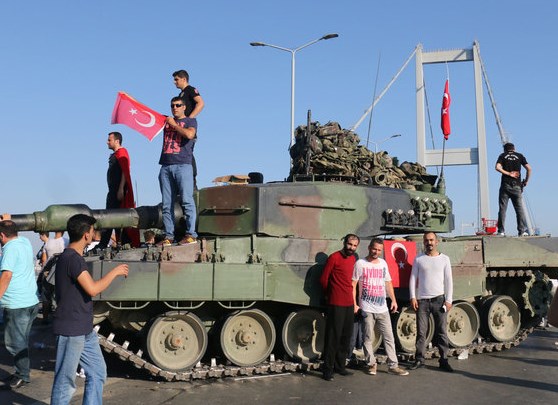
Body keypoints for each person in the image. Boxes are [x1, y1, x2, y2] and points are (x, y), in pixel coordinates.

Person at [50, 214, 128, 404]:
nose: (94, 233)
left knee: (97, 372)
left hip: (83, 329)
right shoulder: (73, 259)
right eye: (93, 230)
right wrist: (115, 272)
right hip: (72, 329)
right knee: (65, 382)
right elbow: (92, 288)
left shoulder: (71, 257)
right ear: (86, 235)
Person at [352, 238, 409, 376]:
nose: (376, 252)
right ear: (369, 248)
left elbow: (388, 283)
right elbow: (353, 284)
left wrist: (394, 300)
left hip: (382, 307)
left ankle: (393, 365)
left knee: (389, 337)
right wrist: (354, 304)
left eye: (379, 250)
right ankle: (371, 364)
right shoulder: (360, 263)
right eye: (374, 249)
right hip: (367, 307)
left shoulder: (383, 263)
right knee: (368, 338)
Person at [0, 215, 40, 390]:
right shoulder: (24, 242)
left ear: (2, 236)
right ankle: (20, 371)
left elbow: (6, 276)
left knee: (14, 342)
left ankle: (23, 375)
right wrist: (7, 221)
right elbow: (12, 230)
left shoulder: (9, 248)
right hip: (30, 302)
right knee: (21, 339)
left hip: (17, 304)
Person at [409, 232, 454, 372]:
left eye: (431, 240)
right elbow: (412, 278)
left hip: (439, 300)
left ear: (437, 242)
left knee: (441, 332)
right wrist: (412, 297)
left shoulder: (444, 259)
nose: (429, 242)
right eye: (426, 240)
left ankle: (444, 360)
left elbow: (449, 281)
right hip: (422, 301)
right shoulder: (419, 259)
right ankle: (419, 359)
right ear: (423, 242)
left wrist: (449, 300)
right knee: (422, 333)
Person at [157, 97, 198, 246]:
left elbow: (189, 135)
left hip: (183, 165)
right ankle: (169, 235)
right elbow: (146, 113)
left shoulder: (190, 121)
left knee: (187, 201)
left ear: (184, 107)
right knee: (166, 204)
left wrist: (173, 125)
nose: (175, 107)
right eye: (172, 105)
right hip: (165, 166)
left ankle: (191, 234)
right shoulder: (166, 120)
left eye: (178, 105)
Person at [319, 234, 360, 381]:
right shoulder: (334, 257)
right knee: (333, 338)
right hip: (336, 303)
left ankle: (340, 366)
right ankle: (327, 370)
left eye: (355, 246)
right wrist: (329, 295)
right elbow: (324, 279)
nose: (351, 248)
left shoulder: (353, 258)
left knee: (345, 337)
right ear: (344, 243)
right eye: (350, 244)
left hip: (349, 303)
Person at [97, 132, 140, 250]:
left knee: (110, 216)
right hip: (113, 189)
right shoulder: (116, 154)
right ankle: (121, 241)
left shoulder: (122, 153)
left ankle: (103, 244)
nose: (107, 142)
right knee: (114, 216)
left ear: (117, 141)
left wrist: (121, 188)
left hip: (117, 190)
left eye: (109, 140)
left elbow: (125, 172)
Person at [173, 69, 205, 190]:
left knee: (187, 153)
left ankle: (192, 182)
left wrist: (190, 118)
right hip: (180, 128)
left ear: (184, 79)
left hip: (187, 128)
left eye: (176, 79)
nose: (174, 82)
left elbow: (200, 103)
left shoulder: (190, 90)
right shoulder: (182, 94)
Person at [495, 142, 532, 236]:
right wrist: (526, 181)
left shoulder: (503, 155)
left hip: (505, 185)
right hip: (517, 186)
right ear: (514, 149)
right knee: (519, 209)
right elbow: (529, 168)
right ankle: (522, 231)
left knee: (502, 209)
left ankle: (501, 231)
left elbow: (497, 167)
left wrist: (508, 173)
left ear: (505, 150)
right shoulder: (519, 156)